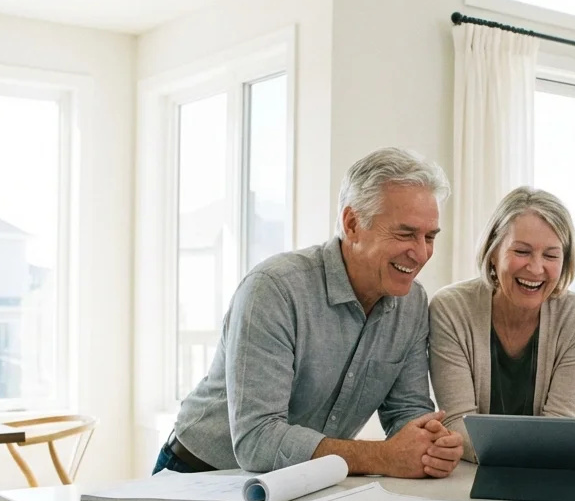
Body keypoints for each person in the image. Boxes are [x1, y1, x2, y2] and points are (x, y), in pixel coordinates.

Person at [156, 147, 464, 478]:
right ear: (352, 224)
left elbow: (408, 411)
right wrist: (384, 457)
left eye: (429, 237)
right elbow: (257, 440)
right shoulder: (273, 289)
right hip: (199, 474)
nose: (420, 253)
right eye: (405, 234)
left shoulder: (412, 303)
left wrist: (431, 444)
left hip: (304, 480)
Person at [429, 186, 575, 462]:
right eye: (522, 251)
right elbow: (457, 425)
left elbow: (559, 427)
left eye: (551, 255)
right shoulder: (451, 309)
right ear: (494, 252)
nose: (536, 268)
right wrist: (538, 449)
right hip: (468, 477)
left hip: (542, 477)